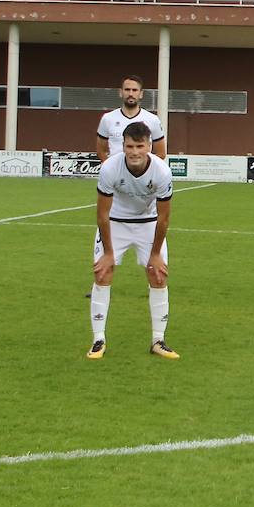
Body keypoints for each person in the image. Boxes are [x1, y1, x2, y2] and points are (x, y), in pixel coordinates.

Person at [87, 122, 178, 360]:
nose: (135, 152)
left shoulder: (161, 172)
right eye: (130, 146)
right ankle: (98, 340)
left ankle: (158, 340)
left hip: (148, 224)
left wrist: (156, 254)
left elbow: (164, 219)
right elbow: (102, 216)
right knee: (102, 273)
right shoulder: (109, 169)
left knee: (158, 275)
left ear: (149, 146)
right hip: (115, 222)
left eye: (139, 146)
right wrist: (108, 253)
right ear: (123, 146)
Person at [96, 75, 167, 161]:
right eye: (127, 89)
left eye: (134, 90)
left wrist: (145, 169)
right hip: (117, 174)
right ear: (120, 92)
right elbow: (100, 151)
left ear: (141, 94)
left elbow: (161, 153)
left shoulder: (153, 120)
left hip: (142, 174)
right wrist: (112, 168)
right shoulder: (107, 119)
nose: (130, 94)